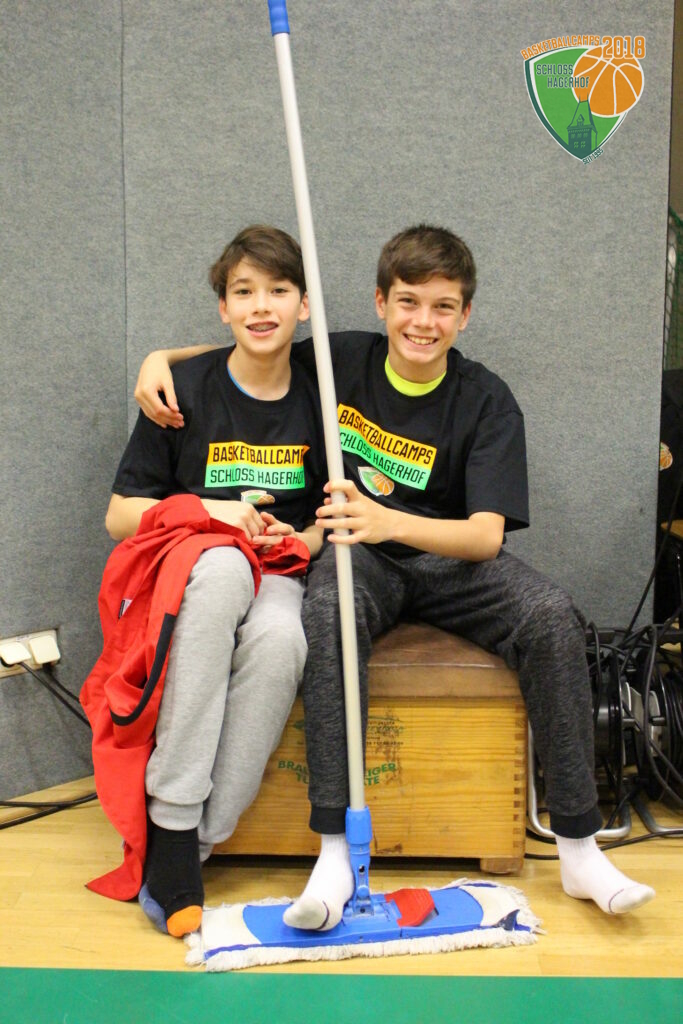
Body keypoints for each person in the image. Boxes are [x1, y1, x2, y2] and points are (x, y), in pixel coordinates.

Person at [133, 224, 655, 929]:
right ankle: (332, 850)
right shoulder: (342, 360)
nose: (423, 322)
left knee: (552, 614)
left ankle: (578, 848)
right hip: (362, 558)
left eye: (443, 307)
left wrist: (387, 520)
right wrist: (160, 358)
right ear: (381, 303)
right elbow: (254, 344)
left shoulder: (485, 399)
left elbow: (484, 536)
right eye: (408, 302)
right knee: (325, 614)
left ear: (465, 316)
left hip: (447, 558)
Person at [89, 224, 325, 938]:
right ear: (223, 308)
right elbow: (120, 516)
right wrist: (211, 510)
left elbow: (325, 520)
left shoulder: (324, 391)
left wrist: (301, 538)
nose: (261, 306)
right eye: (243, 292)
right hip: (193, 564)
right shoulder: (182, 389)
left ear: (304, 305)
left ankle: (191, 840)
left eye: (277, 291)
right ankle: (172, 813)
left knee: (283, 639)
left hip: (276, 567)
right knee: (221, 567)